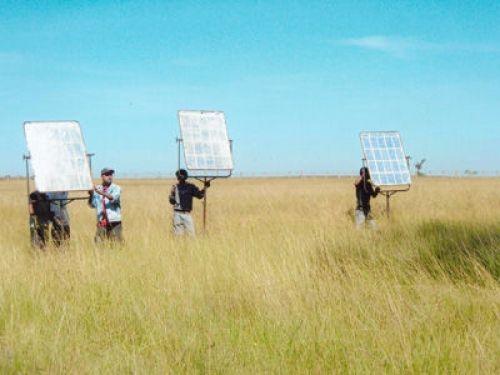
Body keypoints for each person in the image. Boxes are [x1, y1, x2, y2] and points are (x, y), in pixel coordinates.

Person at [169, 169, 209, 236]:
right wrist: (172, 198)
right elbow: (171, 201)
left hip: (183, 214)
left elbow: (199, 195)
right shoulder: (176, 187)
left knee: (188, 235)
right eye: (179, 176)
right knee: (182, 236)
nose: (180, 178)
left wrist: (205, 187)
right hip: (179, 214)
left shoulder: (189, 187)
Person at [88, 168, 123, 243]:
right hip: (102, 221)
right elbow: (92, 205)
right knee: (99, 242)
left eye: (111, 174)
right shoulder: (98, 188)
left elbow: (112, 197)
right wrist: (91, 194)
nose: (109, 177)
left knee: (116, 243)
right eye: (107, 175)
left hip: (114, 221)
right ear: (102, 176)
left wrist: (101, 193)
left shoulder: (116, 188)